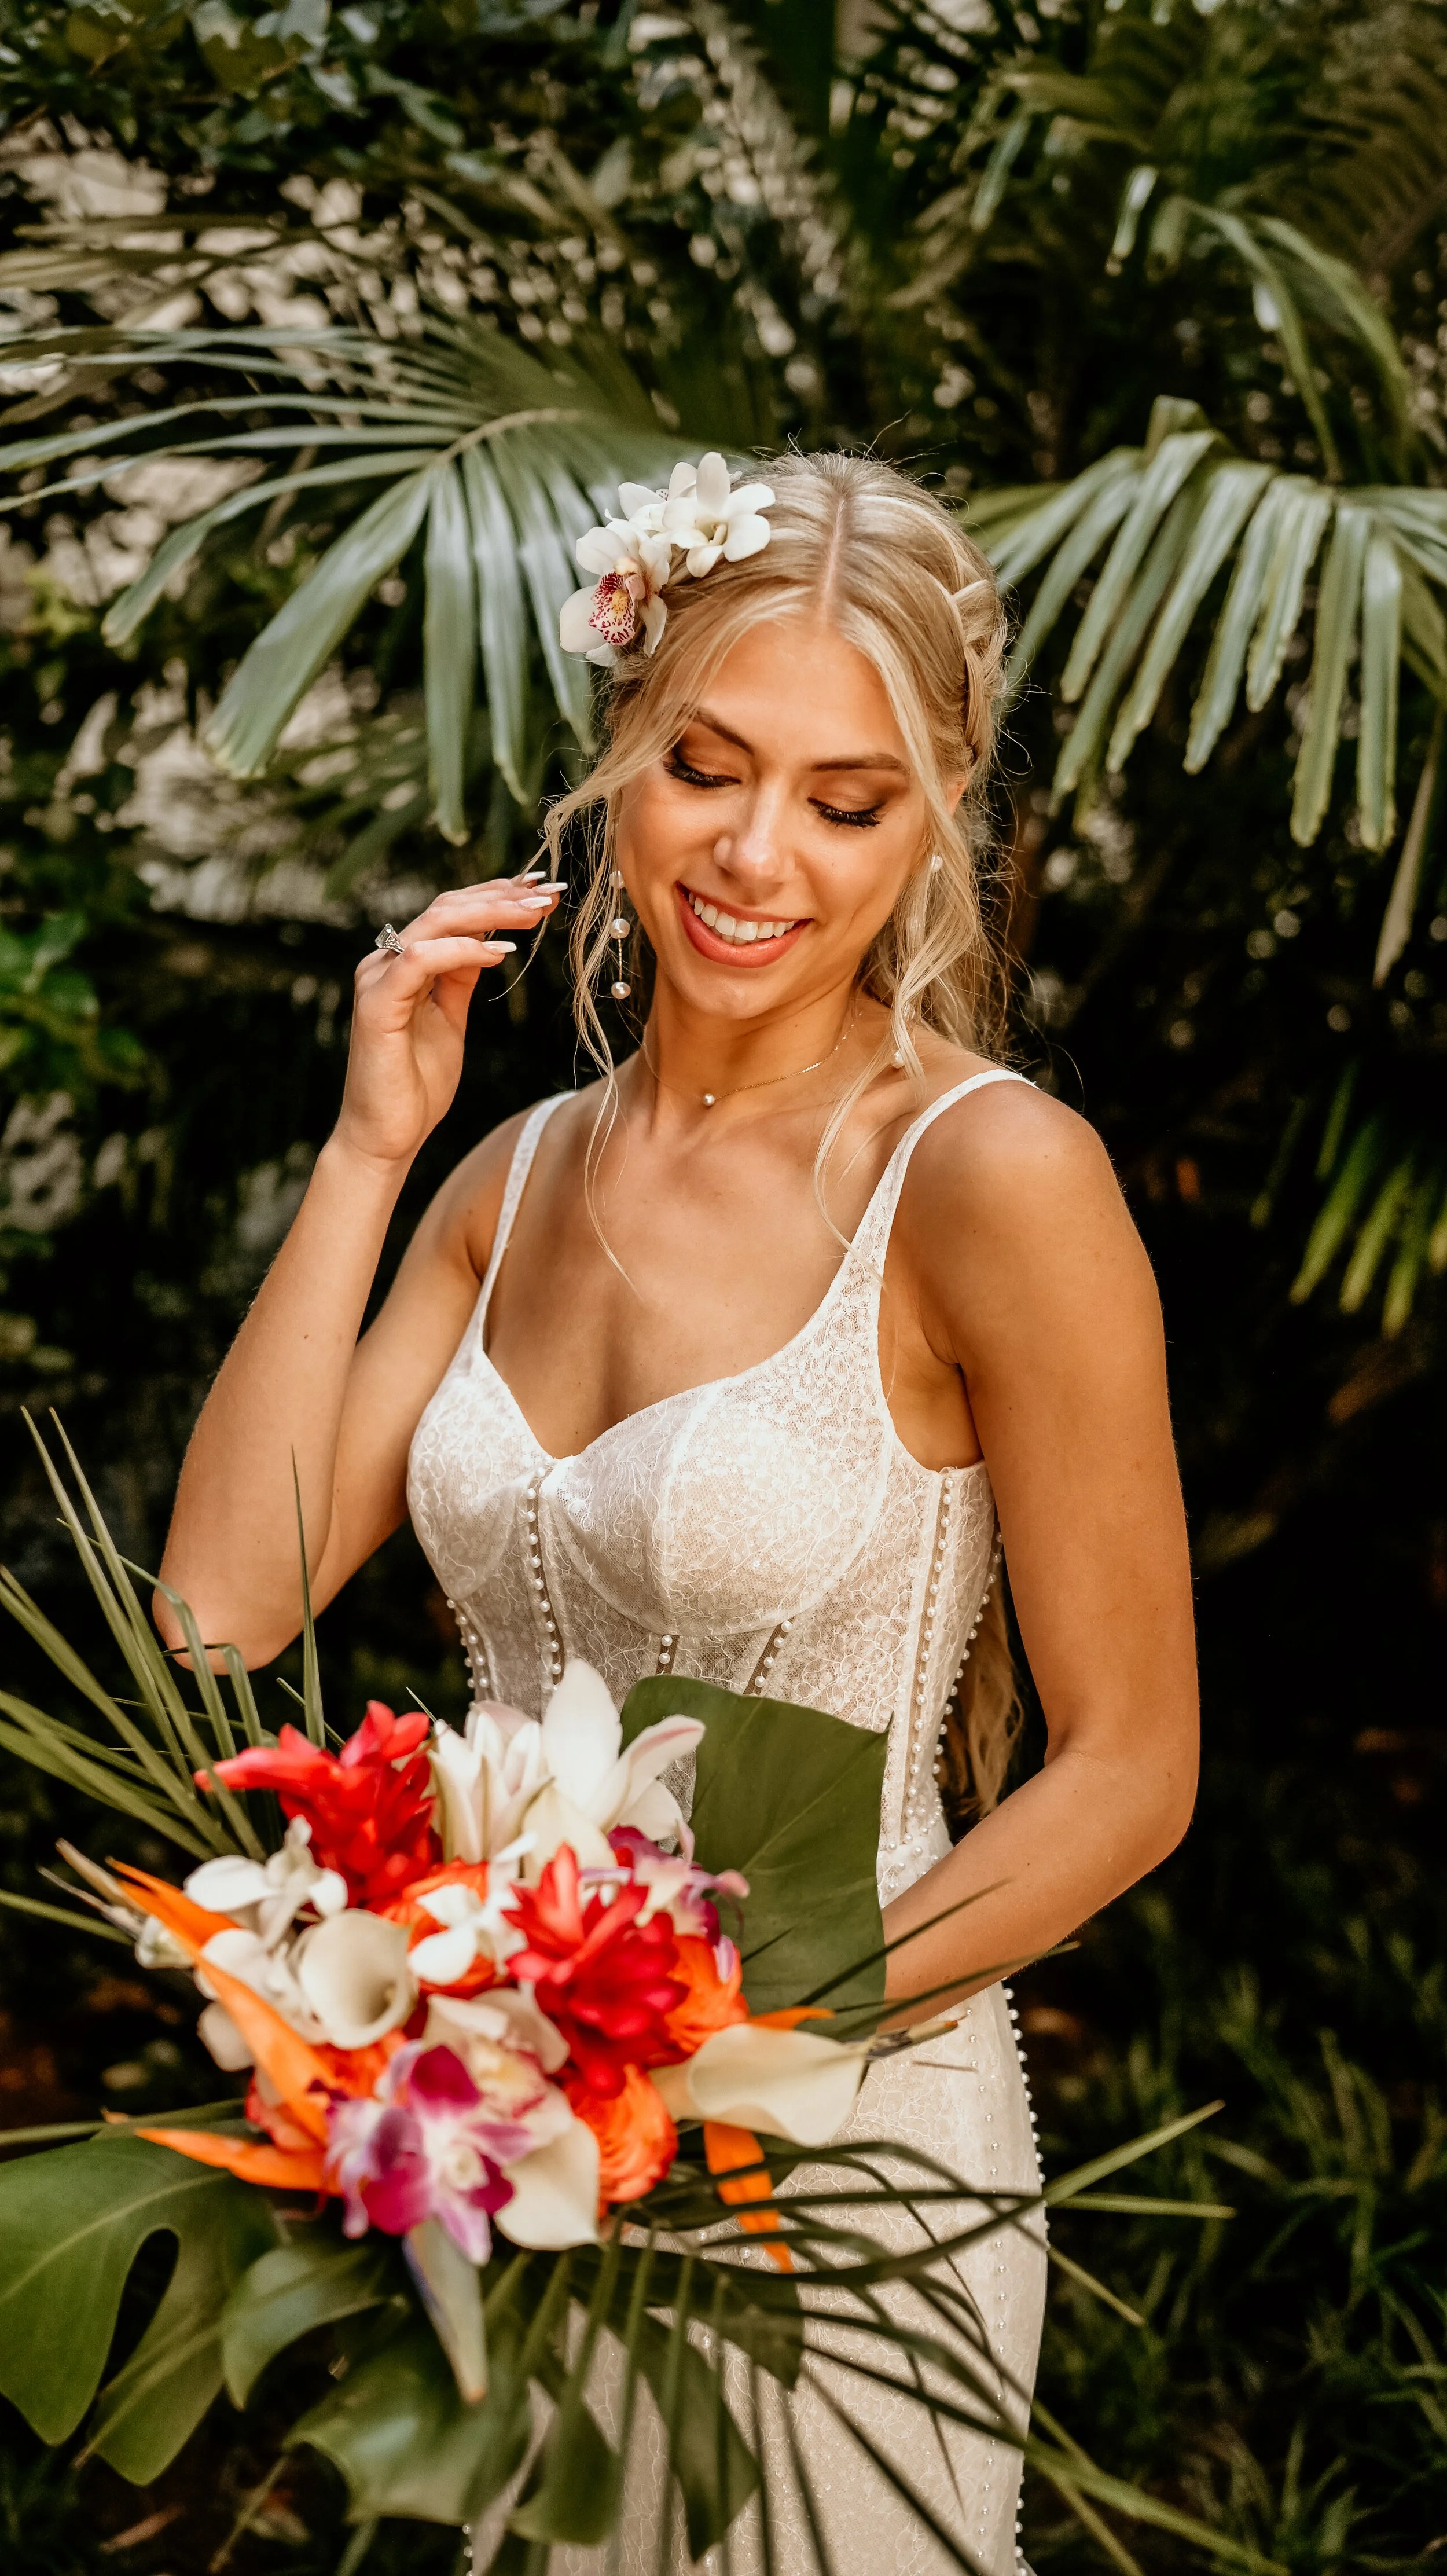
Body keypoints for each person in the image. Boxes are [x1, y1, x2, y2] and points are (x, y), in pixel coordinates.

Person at [157, 449, 1199, 2573]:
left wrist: (719, 2053)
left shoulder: (992, 1181)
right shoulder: (512, 1174)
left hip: (831, 2142)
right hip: (511, 2139)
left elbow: (1134, 1772)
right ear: (619, 759)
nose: (755, 855)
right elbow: (216, 1611)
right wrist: (370, 1150)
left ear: (933, 833)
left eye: (846, 800)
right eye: (706, 769)